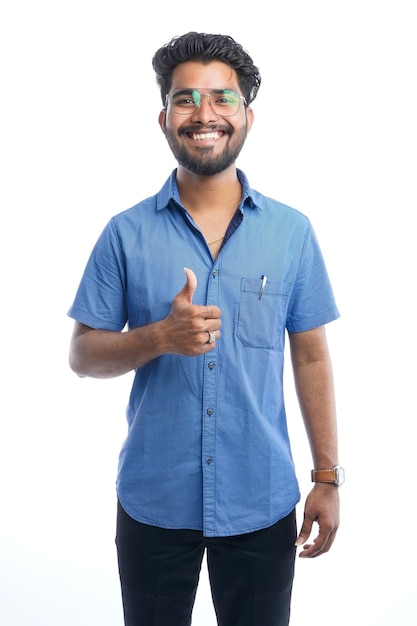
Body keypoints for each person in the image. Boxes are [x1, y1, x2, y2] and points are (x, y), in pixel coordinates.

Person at [68, 31, 343, 626]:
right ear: (163, 118)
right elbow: (83, 355)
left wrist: (327, 476)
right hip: (153, 501)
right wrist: (158, 337)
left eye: (222, 98)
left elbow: (312, 356)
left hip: (261, 498)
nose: (204, 114)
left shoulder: (292, 233)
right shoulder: (124, 233)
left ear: (247, 116)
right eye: (185, 98)